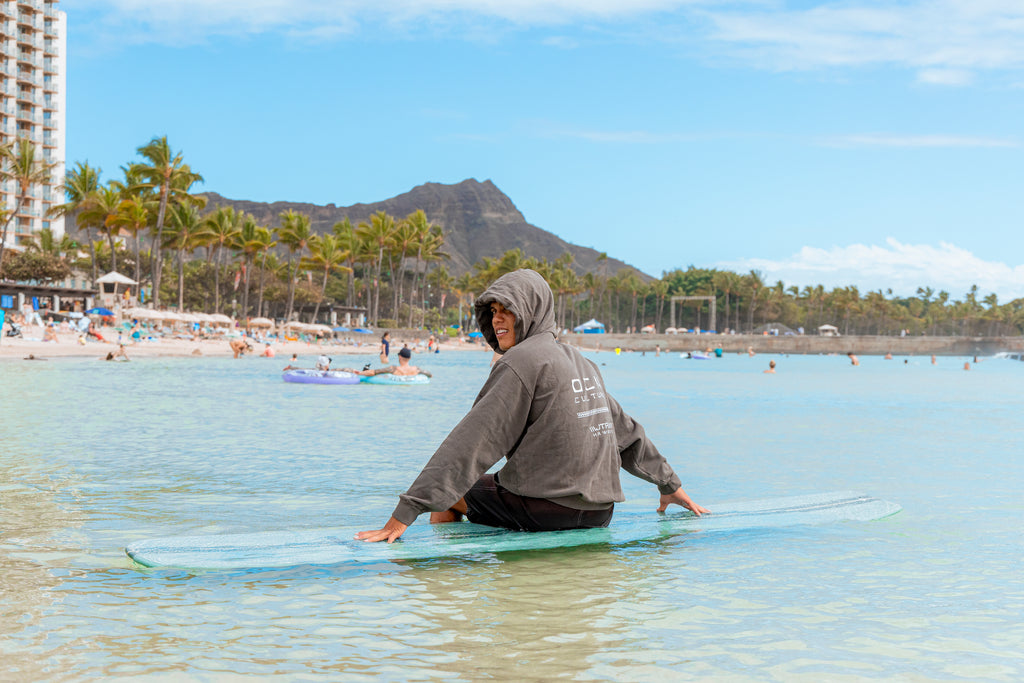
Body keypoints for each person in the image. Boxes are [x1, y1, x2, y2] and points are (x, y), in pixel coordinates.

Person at [356, 269, 708, 544]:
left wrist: (405, 512)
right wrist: (669, 485)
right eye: (493, 311)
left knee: (453, 495)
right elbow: (628, 435)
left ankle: (449, 586)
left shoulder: (520, 362)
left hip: (547, 512)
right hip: (601, 512)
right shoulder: (580, 361)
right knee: (479, 486)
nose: (497, 319)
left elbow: (471, 444)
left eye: (508, 309)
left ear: (531, 311)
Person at [351, 347, 432, 378]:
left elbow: (374, 372)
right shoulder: (416, 369)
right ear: (410, 358)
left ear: (399, 356)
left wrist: (360, 373)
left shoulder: (393, 369)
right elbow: (429, 374)